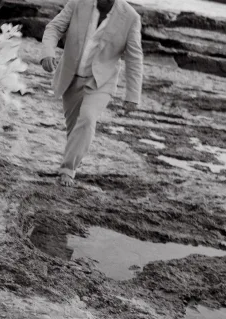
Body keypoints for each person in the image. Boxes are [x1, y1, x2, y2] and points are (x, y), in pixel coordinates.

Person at [40, 0, 143, 186]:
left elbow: (134, 58)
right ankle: (71, 163)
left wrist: (132, 95)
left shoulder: (131, 17)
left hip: (101, 82)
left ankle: (67, 170)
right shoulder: (78, 3)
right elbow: (54, 27)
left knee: (87, 118)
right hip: (71, 76)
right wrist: (48, 52)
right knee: (74, 129)